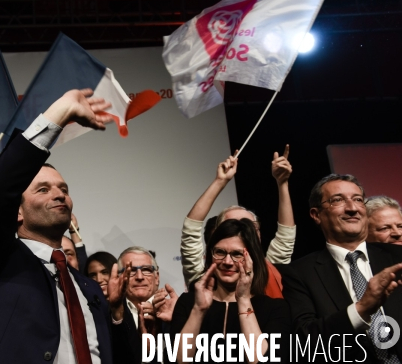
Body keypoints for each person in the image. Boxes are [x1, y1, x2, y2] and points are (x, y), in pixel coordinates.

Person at [0, 89, 125, 363]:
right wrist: (60, 112)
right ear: (17, 212)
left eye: (63, 189)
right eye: (43, 190)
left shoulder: (89, 289)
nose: (59, 195)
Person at [281, 174, 402, 362]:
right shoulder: (299, 273)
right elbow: (304, 341)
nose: (352, 208)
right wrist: (361, 309)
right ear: (316, 214)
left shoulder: (397, 257)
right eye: (338, 200)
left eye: (358, 200)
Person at [180, 146, 295, 297]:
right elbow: (191, 229)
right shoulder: (204, 276)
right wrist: (220, 181)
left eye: (250, 226)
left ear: (259, 235)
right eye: (233, 225)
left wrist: (282, 183)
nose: (242, 231)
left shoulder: (269, 270)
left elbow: (286, 235)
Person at [171, 219, 291, 363]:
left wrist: (243, 299)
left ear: (251, 259)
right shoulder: (188, 302)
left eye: (237, 254)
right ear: (210, 255)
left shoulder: (275, 309)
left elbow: (259, 360)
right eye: (220, 252)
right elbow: (180, 360)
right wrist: (198, 310)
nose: (227, 262)